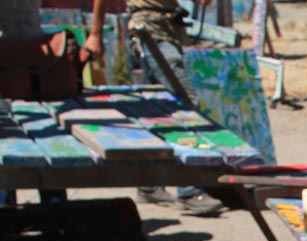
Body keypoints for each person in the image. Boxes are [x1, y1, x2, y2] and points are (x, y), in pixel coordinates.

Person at [0, 0, 107, 206]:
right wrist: (95, 34)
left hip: (30, 64)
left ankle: (34, 211)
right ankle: (49, 209)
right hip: (36, 65)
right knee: (30, 141)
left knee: (30, 141)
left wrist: (96, 34)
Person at [129, 0, 225, 216]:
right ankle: (189, 190)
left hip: (161, 27)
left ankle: (149, 183)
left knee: (154, 112)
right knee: (187, 108)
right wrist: (95, 34)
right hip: (151, 29)